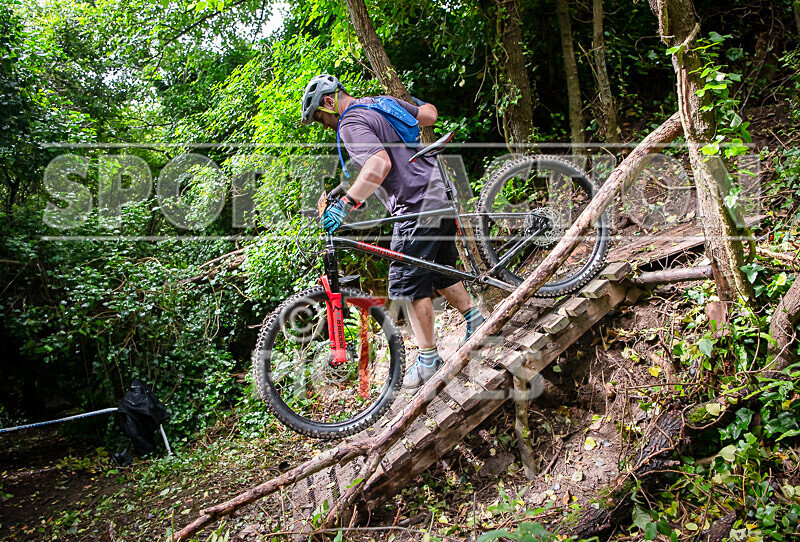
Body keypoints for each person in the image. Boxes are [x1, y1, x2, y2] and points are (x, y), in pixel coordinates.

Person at [300, 73, 484, 389]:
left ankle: (428, 361)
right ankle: (476, 322)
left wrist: (345, 204)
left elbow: (379, 165)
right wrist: (408, 101)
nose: (324, 125)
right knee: (437, 271)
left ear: (330, 102)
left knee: (404, 281)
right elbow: (430, 114)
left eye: (320, 117)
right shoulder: (379, 103)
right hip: (438, 191)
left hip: (415, 204)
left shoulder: (349, 123)